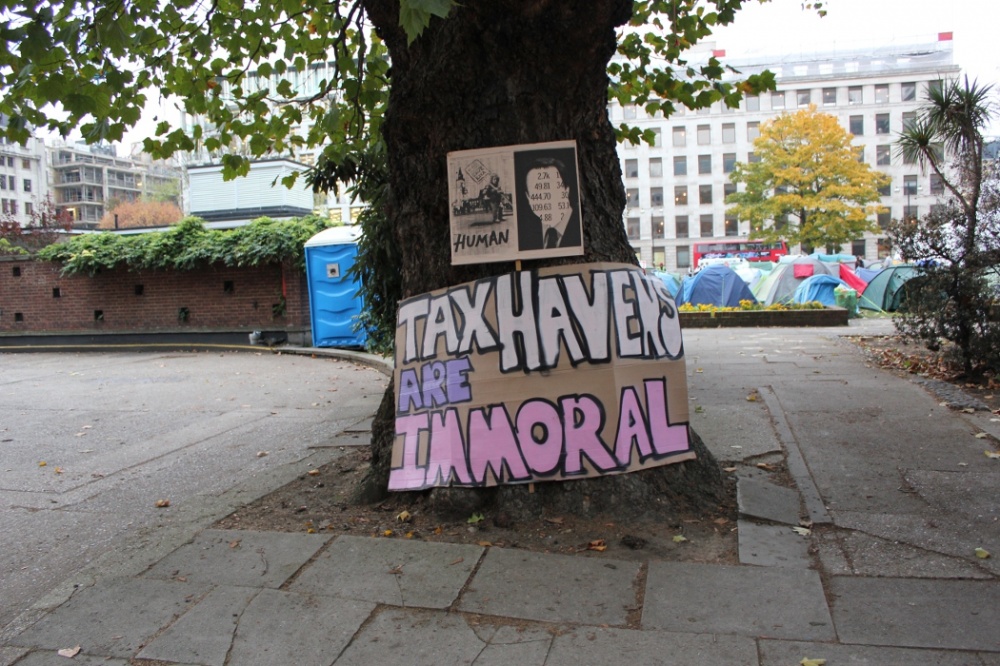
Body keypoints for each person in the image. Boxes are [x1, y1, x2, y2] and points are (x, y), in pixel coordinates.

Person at [516, 153, 582, 251]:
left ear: (566, 190)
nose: (544, 195)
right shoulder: (523, 233)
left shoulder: (584, 225)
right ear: (528, 197)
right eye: (536, 189)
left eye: (550, 186)